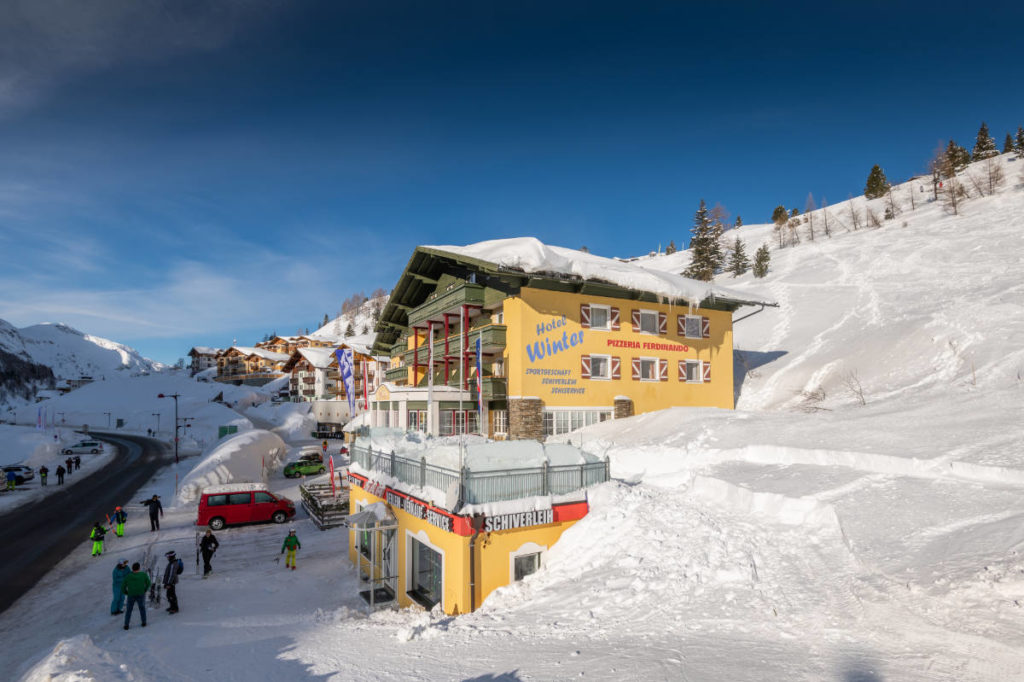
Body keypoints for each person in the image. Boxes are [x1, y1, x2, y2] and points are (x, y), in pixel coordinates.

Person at [122, 562, 150, 629]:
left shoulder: (128, 576)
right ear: (139, 568)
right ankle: (144, 622)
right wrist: (145, 590)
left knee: (129, 610)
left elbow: (123, 587)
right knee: (142, 608)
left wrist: (126, 592)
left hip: (131, 594)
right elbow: (148, 583)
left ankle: (126, 625)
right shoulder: (143, 575)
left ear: (132, 568)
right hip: (141, 593)